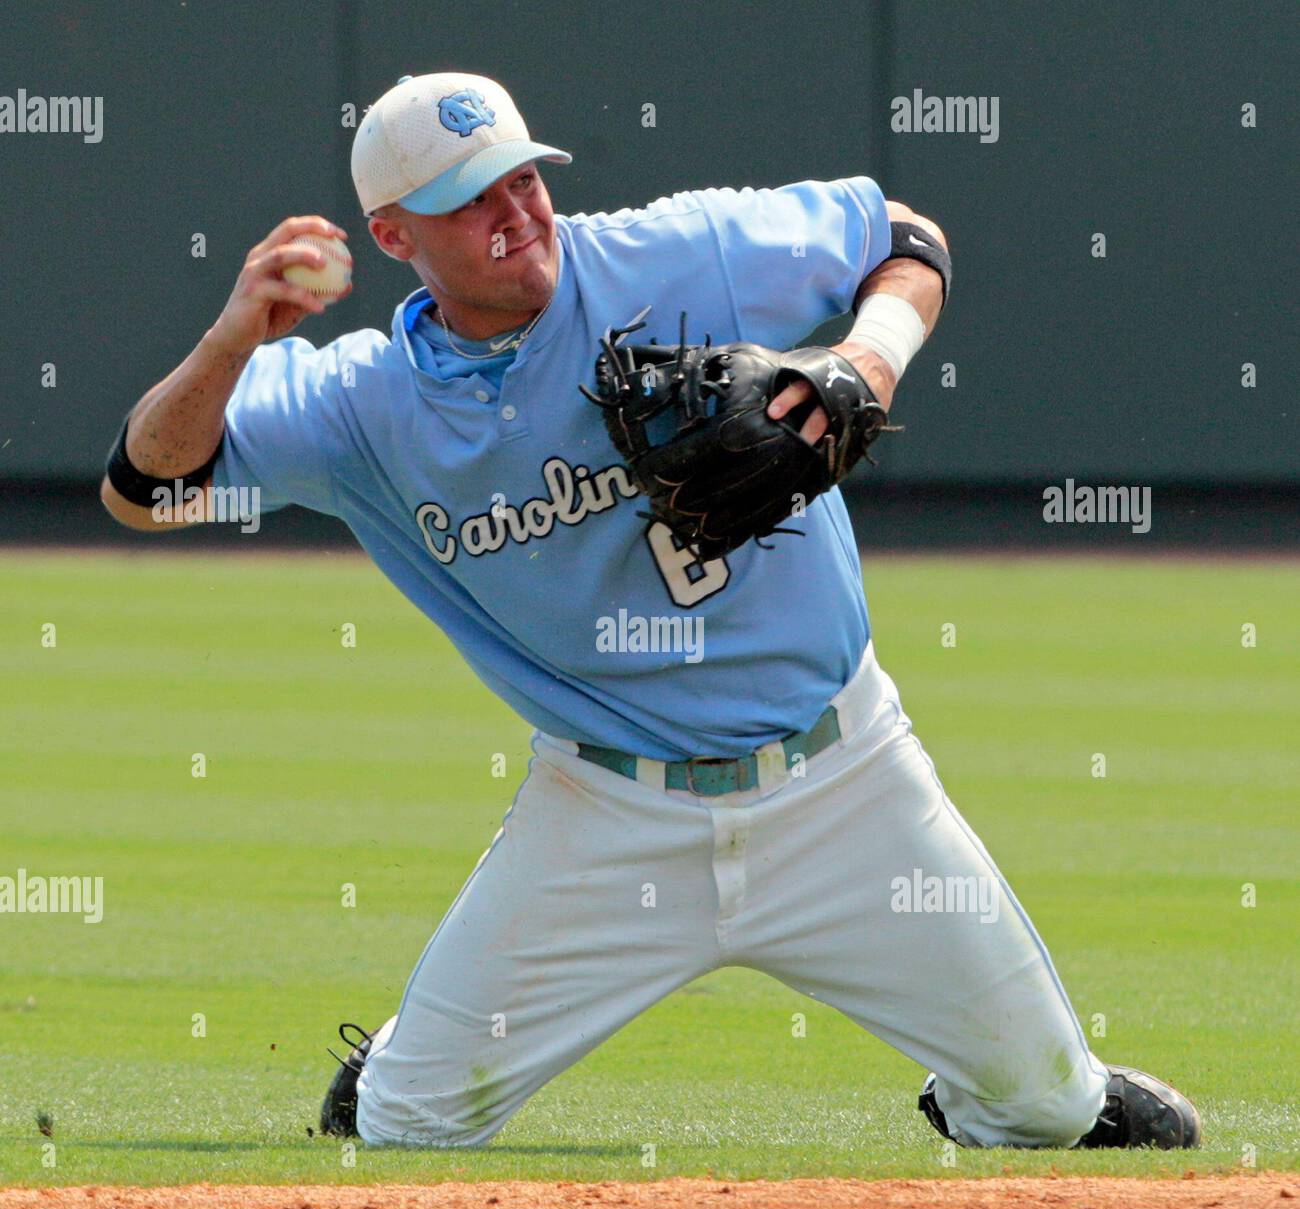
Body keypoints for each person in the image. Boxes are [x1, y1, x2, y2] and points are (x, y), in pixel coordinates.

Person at [103, 72, 1200, 1152]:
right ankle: (396, 1055)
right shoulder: (361, 403)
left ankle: (975, 1087)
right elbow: (146, 489)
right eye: (470, 199)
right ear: (395, 236)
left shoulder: (669, 255)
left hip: (843, 782)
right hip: (605, 812)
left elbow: (906, 237)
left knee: (1049, 1112)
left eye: (521, 178)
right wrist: (232, 340)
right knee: (405, 1124)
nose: (514, 213)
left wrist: (866, 358)